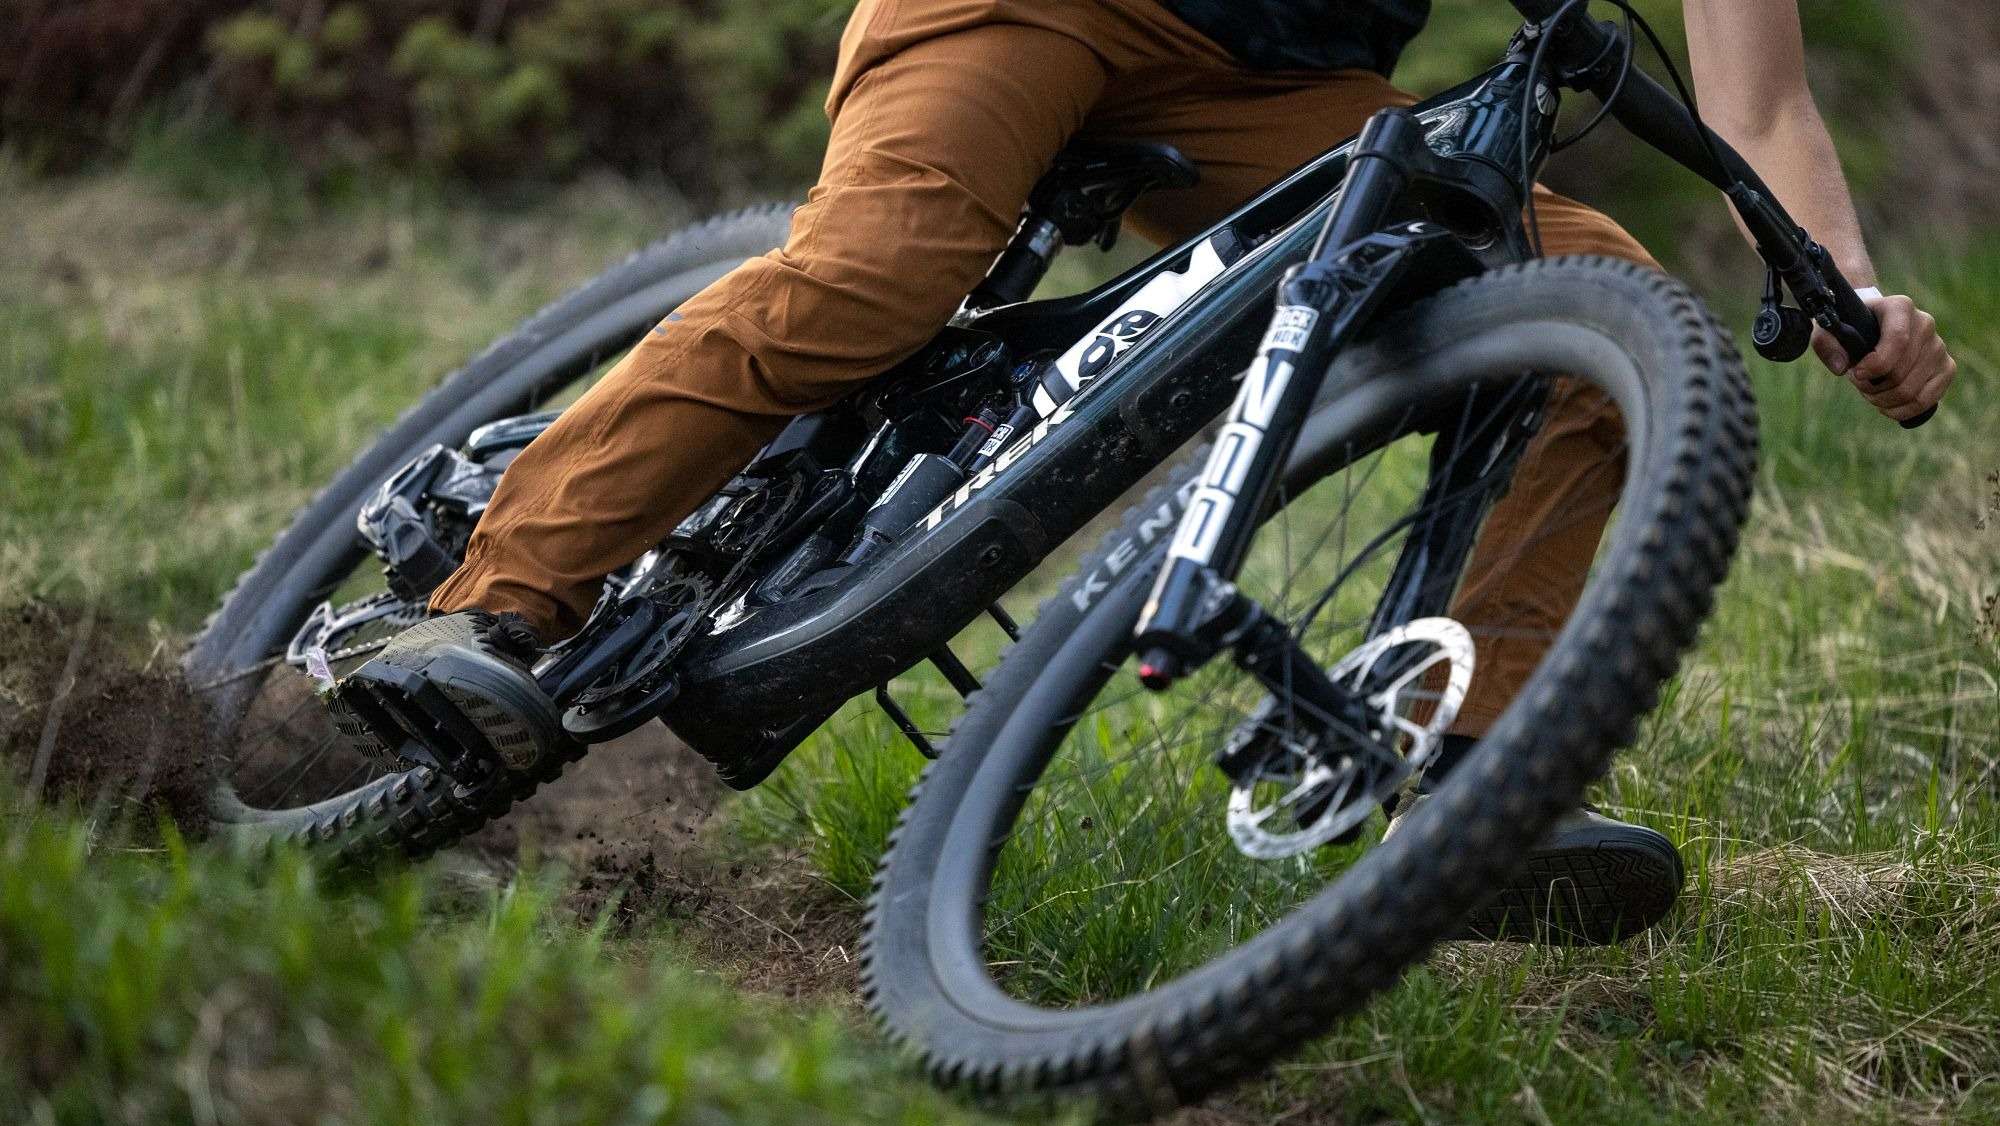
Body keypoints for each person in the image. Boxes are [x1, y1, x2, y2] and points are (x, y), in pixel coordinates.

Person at [334, 0, 1956, 940]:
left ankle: (1474, 776)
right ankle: (490, 602)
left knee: (1593, 310)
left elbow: (1762, 105)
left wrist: (1850, 293)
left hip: (1277, 91)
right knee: (883, 272)